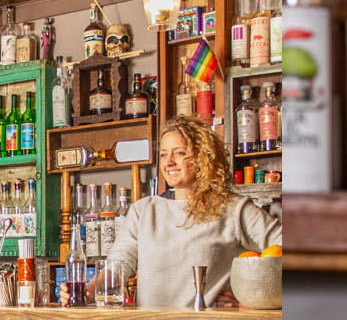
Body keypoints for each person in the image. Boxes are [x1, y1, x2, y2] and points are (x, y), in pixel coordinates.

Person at [104, 116, 280, 307]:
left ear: (203, 157)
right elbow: (119, 263)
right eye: (163, 154)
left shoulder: (234, 209)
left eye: (179, 153)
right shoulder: (144, 210)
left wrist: (248, 299)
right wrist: (88, 290)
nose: (169, 162)